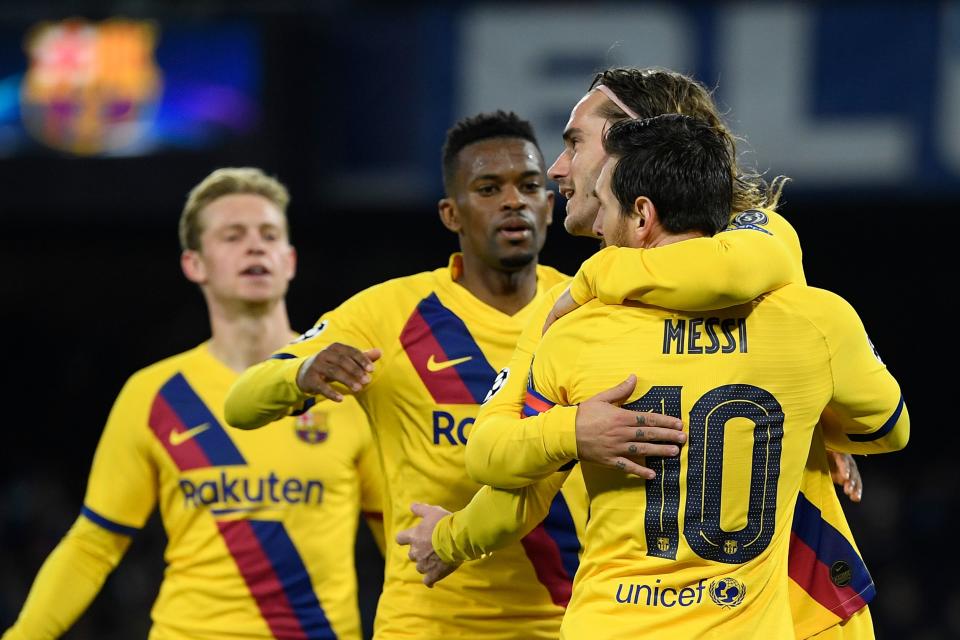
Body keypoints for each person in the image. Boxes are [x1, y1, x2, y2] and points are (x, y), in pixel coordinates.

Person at [398, 68, 876, 639]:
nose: (556, 168)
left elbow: (731, 267)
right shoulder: (763, 279)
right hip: (796, 610)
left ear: (634, 143)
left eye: (575, 142)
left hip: (796, 605)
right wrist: (573, 431)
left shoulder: (587, 304)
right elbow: (521, 478)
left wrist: (594, 275)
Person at [495, 113, 907, 638]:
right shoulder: (813, 320)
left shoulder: (576, 331)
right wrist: (810, 423)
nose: (598, 226)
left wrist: (565, 431)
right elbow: (890, 431)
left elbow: (497, 462)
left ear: (642, 215)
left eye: (606, 207)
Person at [225, 112, 588, 639]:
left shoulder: (584, 307)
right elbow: (240, 403)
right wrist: (302, 372)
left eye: (530, 186)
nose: (514, 201)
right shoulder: (389, 313)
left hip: (570, 621)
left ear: (550, 205)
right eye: (488, 188)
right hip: (428, 621)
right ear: (451, 214)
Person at [2, 168, 384, 640]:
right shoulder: (156, 394)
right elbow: (95, 543)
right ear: (194, 264)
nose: (255, 246)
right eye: (232, 235)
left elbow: (398, 537)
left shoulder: (346, 383)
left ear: (289, 260)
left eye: (269, 235)